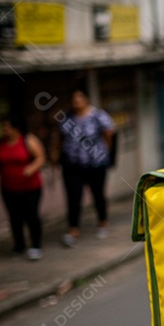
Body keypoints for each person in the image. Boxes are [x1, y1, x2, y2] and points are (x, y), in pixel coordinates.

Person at [55, 89, 114, 246]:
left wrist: (104, 153)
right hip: (72, 164)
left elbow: (109, 134)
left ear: (86, 99)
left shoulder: (98, 116)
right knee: (73, 197)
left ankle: (102, 222)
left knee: (98, 193)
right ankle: (73, 229)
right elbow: (59, 138)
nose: (76, 102)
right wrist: (56, 157)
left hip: (95, 163)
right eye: (74, 99)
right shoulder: (66, 118)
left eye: (79, 98)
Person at [0, 118, 46, 260]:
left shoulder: (28, 140)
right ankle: (19, 245)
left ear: (16, 128)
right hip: (8, 188)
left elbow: (41, 157)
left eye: (6, 127)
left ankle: (36, 245)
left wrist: (31, 168)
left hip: (30, 187)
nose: (4, 130)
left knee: (31, 215)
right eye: (3, 127)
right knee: (15, 217)